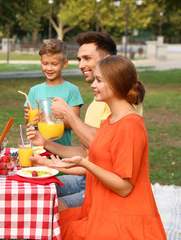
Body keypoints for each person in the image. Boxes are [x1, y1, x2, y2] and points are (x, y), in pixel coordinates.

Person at [53, 55, 166, 239]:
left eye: (98, 80)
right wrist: (54, 165)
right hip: (98, 210)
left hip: (122, 218)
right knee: (52, 221)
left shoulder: (130, 125)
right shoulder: (110, 120)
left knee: (57, 228)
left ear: (115, 83)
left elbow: (124, 187)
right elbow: (98, 163)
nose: (92, 85)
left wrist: (84, 163)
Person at [27, 32, 143, 211]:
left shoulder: (124, 114)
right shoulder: (99, 104)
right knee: (34, 189)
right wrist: (45, 144)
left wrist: (68, 114)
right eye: (79, 59)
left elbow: (108, 163)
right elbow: (88, 152)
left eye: (87, 58)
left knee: (46, 207)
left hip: (101, 186)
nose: (81, 65)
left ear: (109, 62)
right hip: (87, 177)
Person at [23, 39, 84, 147]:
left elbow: (73, 123)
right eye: (45, 63)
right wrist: (28, 119)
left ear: (64, 63)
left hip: (63, 152)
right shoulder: (34, 91)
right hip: (38, 150)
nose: (49, 68)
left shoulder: (71, 90)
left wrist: (48, 117)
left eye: (54, 64)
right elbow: (29, 124)